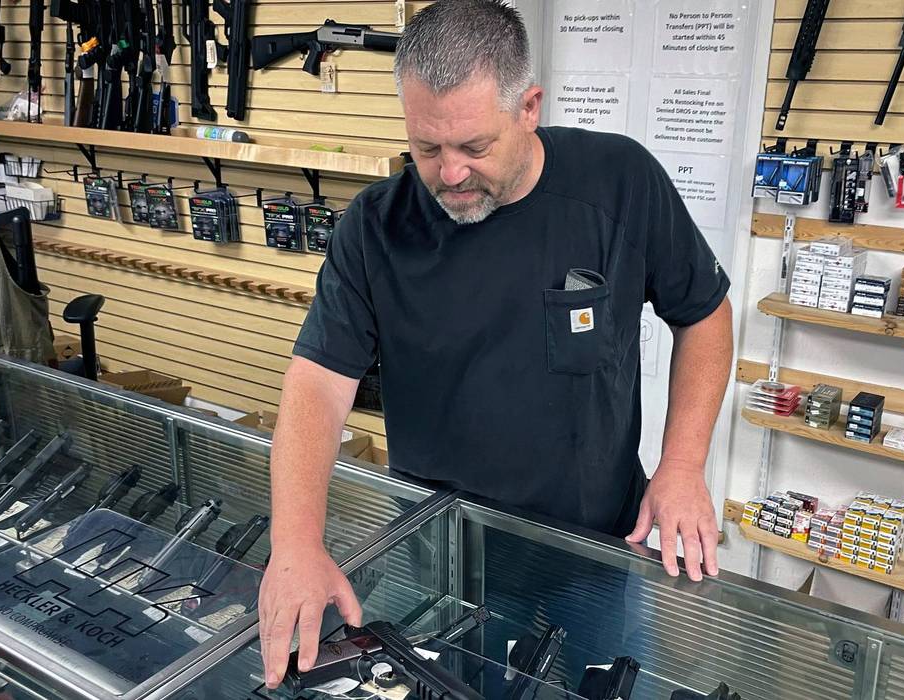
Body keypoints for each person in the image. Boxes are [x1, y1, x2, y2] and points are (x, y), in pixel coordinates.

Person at [258, 0, 733, 688]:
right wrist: (295, 542)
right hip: (445, 553)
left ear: (528, 108)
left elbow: (704, 314)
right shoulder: (374, 226)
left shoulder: (619, 181)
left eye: (473, 147)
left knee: (602, 686)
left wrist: (683, 464)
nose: (450, 173)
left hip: (593, 551)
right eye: (427, 148)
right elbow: (317, 384)